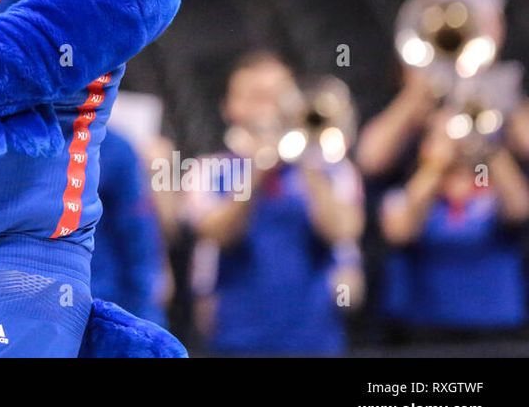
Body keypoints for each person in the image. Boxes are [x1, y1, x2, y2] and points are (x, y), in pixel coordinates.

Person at [187, 52, 363, 355]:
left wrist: (308, 159)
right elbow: (217, 233)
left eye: (278, 96)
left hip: (315, 340)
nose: (268, 108)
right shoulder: (209, 169)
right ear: (230, 107)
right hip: (236, 339)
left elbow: (343, 230)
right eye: (256, 97)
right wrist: (258, 168)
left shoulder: (332, 168)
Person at [379, 109, 529, 344]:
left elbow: (519, 209)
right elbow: (399, 231)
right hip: (424, 327)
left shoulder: (492, 188)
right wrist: (436, 164)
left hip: (495, 327)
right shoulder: (410, 187)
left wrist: (489, 145)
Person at [91, 126, 169, 326]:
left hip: (99, 302)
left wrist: (146, 323)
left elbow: (138, 236)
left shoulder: (113, 149)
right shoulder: (10, 136)